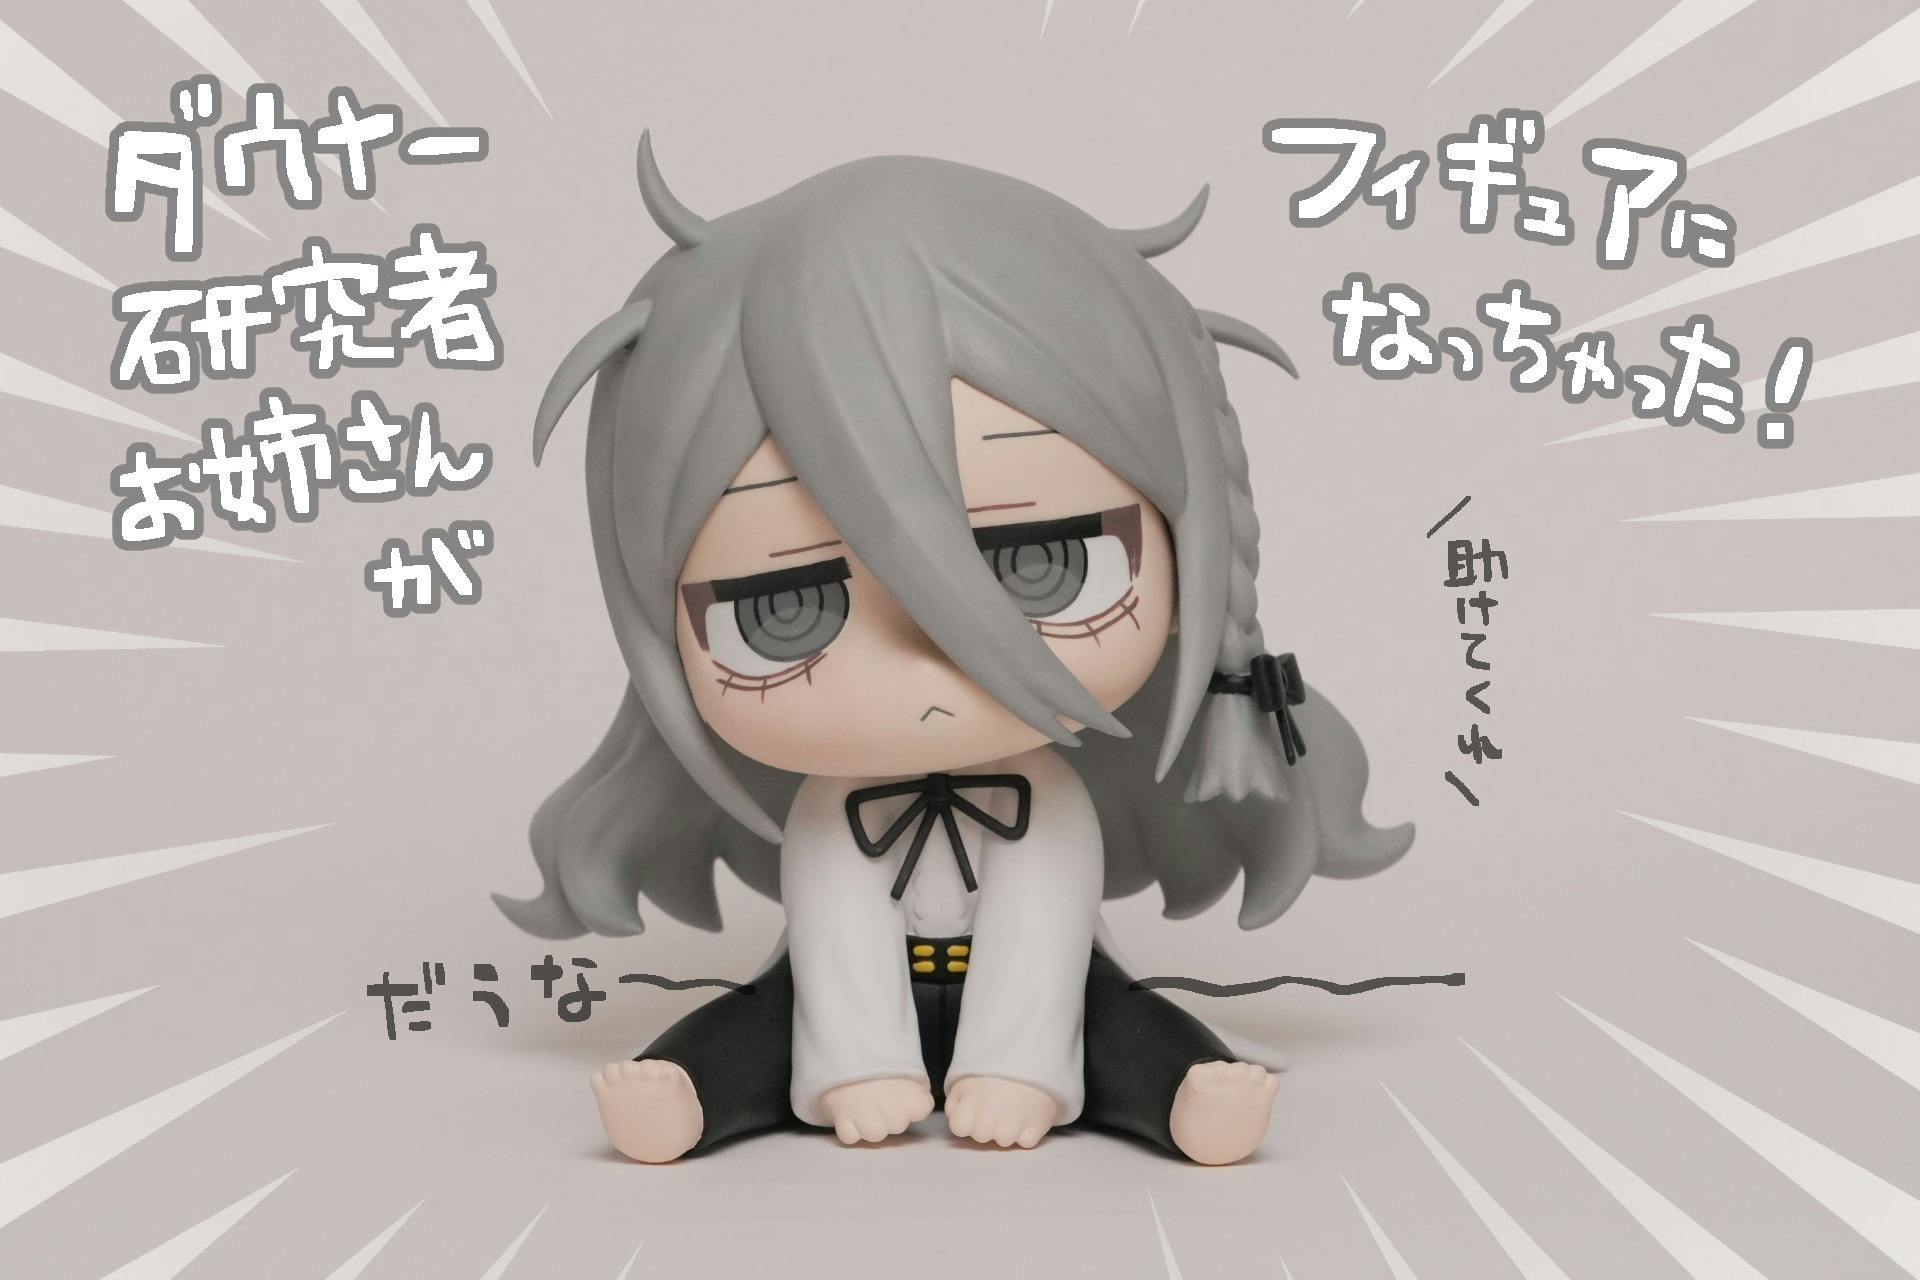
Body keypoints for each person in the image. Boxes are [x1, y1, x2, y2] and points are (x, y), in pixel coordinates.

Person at [497, 134, 1413, 1165]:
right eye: (781, 608)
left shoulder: (1049, 805)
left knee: (1115, 1021)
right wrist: (859, 1070)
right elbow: (836, 940)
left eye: (1043, 565)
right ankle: (694, 1097)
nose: (929, 666)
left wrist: (1014, 1072)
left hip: (1043, 1012)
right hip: (839, 1014)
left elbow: (1043, 938)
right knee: (763, 1021)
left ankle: (1180, 1097)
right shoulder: (827, 812)